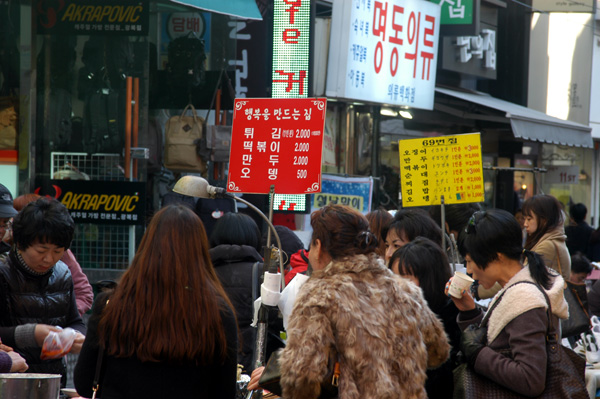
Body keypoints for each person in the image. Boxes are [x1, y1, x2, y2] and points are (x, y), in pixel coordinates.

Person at [249, 204, 450, 398]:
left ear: (318, 247)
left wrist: (274, 374)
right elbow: (437, 352)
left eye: (311, 246)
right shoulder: (403, 289)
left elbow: (303, 380)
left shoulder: (319, 295)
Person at [74, 205, 238, 398]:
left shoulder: (111, 305)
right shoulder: (218, 313)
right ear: (200, 251)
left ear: (147, 245)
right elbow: (225, 392)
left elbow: (85, 383)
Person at [447, 209, 568, 397]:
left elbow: (531, 380)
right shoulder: (518, 289)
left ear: (497, 256)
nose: (469, 270)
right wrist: (469, 312)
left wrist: (478, 355)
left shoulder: (524, 300)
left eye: (471, 261)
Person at [0, 197, 86, 385]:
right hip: (10, 381)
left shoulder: (63, 273)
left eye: (57, 251)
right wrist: (32, 333)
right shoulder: (3, 272)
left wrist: (74, 336)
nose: (48, 259)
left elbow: (75, 322)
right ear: (22, 242)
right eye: (41, 251)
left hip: (53, 381)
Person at [388, 237, 460, 399]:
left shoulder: (450, 319)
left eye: (406, 277)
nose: (397, 285)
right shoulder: (389, 314)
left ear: (430, 279)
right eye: (393, 277)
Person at [12, 193, 94, 315]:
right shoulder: (5, 267)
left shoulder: (62, 264)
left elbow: (83, 292)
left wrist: (63, 318)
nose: (48, 259)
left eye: (56, 252)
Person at [209, 212, 264, 372]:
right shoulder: (262, 272)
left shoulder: (203, 270)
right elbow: (274, 320)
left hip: (209, 359)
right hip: (251, 365)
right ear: (254, 237)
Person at [522, 194, 571, 280]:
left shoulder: (547, 245)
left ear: (544, 220)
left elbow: (526, 279)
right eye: (524, 219)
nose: (525, 224)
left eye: (529, 219)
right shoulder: (550, 241)